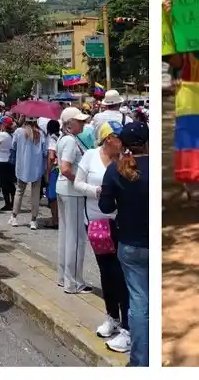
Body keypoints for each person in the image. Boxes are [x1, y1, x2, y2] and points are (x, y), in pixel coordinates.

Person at [75, 121, 131, 353]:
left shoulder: (126, 159)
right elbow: (77, 183)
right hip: (97, 224)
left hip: (121, 223)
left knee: (123, 274)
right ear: (108, 139)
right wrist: (96, 191)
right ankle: (112, 317)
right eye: (118, 137)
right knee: (106, 272)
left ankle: (127, 325)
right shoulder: (90, 156)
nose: (122, 142)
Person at [99, 122, 149, 367]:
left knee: (139, 303)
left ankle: (140, 361)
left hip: (130, 244)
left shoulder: (115, 170)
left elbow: (106, 208)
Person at [55, 106, 92, 294]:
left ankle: (64, 277)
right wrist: (80, 182)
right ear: (70, 124)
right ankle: (74, 282)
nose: (83, 123)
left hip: (65, 190)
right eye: (79, 121)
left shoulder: (66, 139)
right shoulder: (70, 141)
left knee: (66, 235)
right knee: (76, 238)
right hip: (72, 192)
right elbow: (66, 168)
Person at [11, 118, 47, 230]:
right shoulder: (40, 133)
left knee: (19, 191)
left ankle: (14, 217)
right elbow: (45, 151)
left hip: (22, 165)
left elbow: (13, 146)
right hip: (37, 166)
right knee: (35, 194)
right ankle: (33, 220)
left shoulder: (18, 132)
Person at [0, 117, 17, 211]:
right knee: (10, 182)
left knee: (4, 184)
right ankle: (13, 202)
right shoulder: (12, 134)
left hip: (1, 160)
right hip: (9, 161)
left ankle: (8, 203)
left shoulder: (2, 135)